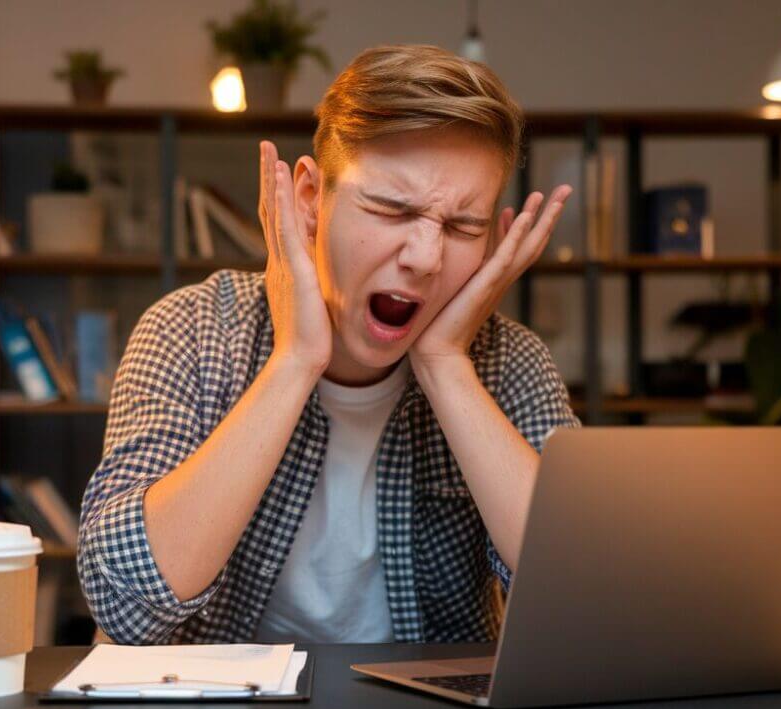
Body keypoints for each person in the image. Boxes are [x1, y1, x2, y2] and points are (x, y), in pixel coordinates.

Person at [78, 44, 577, 646]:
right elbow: (126, 606)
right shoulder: (192, 330)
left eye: (461, 227)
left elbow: (584, 603)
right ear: (312, 199)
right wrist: (294, 363)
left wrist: (447, 367)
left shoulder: (509, 361)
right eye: (392, 210)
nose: (424, 258)